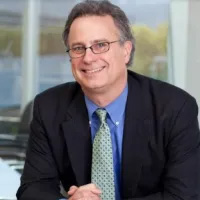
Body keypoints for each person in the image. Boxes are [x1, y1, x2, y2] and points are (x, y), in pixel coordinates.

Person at [17, 0, 200, 200]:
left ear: (126, 50)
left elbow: (184, 195)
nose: (88, 58)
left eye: (101, 45)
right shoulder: (49, 107)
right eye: (78, 48)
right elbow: (32, 188)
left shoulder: (175, 107)